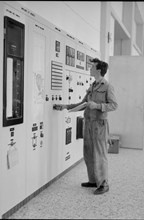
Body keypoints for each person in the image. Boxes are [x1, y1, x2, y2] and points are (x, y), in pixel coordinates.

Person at [53, 58, 118, 195]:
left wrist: (97, 106)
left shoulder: (107, 86)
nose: (90, 69)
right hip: (88, 123)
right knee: (88, 153)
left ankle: (104, 183)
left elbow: (114, 105)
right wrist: (65, 106)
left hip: (99, 125)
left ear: (98, 70)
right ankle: (93, 181)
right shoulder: (92, 86)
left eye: (92, 67)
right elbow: (81, 104)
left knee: (100, 155)